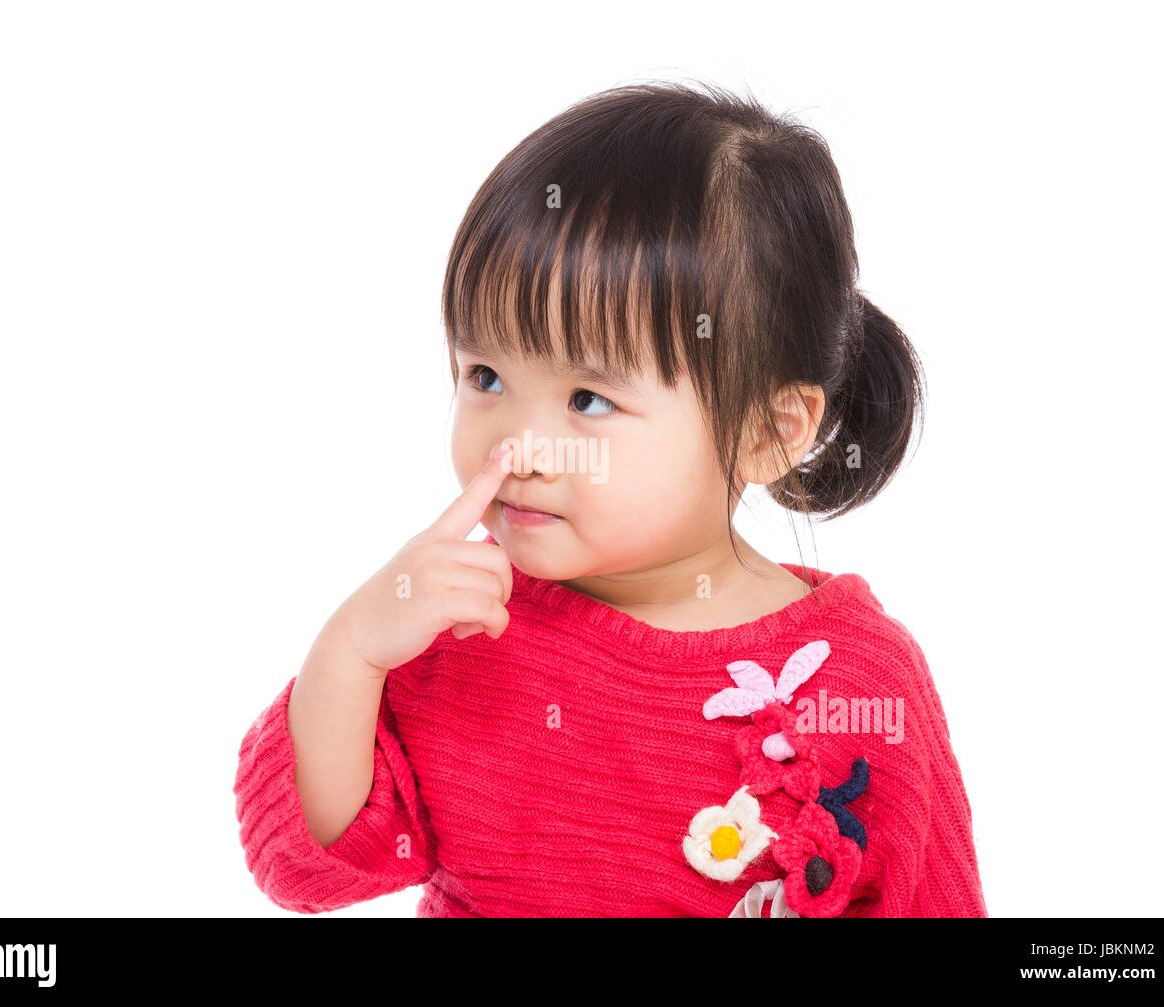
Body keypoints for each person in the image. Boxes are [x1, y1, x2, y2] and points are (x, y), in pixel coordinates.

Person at [232, 80, 987, 917]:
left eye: (589, 399)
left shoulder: (855, 686)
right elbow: (313, 864)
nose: (516, 445)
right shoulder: (463, 624)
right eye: (485, 375)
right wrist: (352, 653)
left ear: (767, 430)